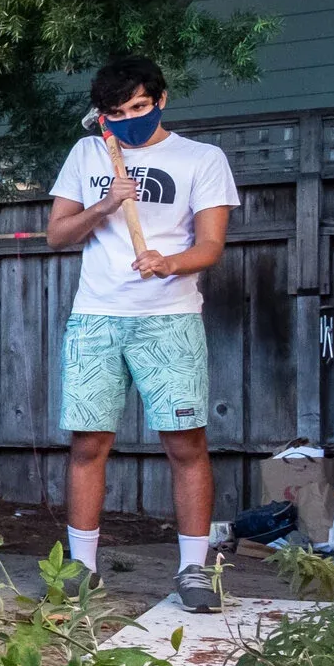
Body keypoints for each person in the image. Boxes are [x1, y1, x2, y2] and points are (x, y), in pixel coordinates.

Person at [45, 55, 238, 612]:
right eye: (115, 113)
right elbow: (57, 234)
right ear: (101, 117)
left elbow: (210, 247)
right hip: (97, 317)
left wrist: (167, 262)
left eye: (137, 108)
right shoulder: (88, 154)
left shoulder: (202, 159)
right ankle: (82, 566)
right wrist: (107, 203)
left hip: (170, 318)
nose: (127, 120)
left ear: (160, 99)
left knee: (186, 444)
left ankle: (194, 570)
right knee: (88, 443)